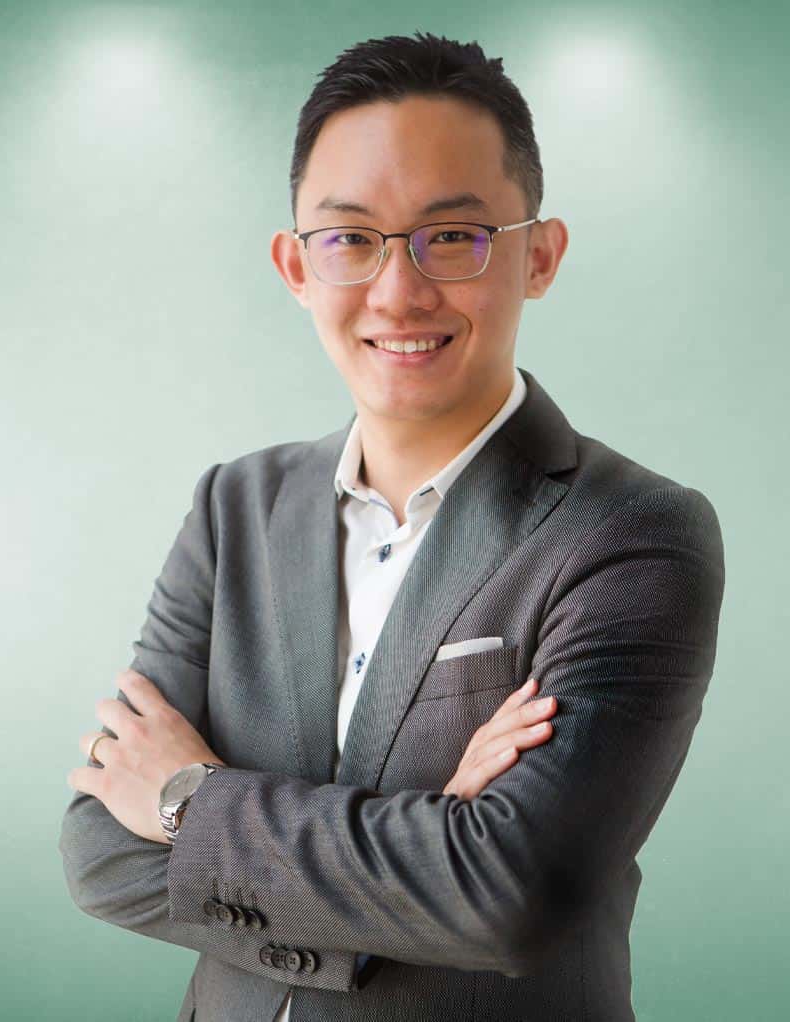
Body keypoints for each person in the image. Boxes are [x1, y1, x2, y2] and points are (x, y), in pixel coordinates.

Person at [59, 32, 725, 1022]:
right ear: (296, 265)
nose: (398, 291)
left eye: (452, 237)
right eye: (349, 238)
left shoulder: (632, 534)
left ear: (539, 255)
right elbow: (99, 852)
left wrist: (188, 800)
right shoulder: (232, 508)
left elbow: (509, 896)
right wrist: (429, 839)